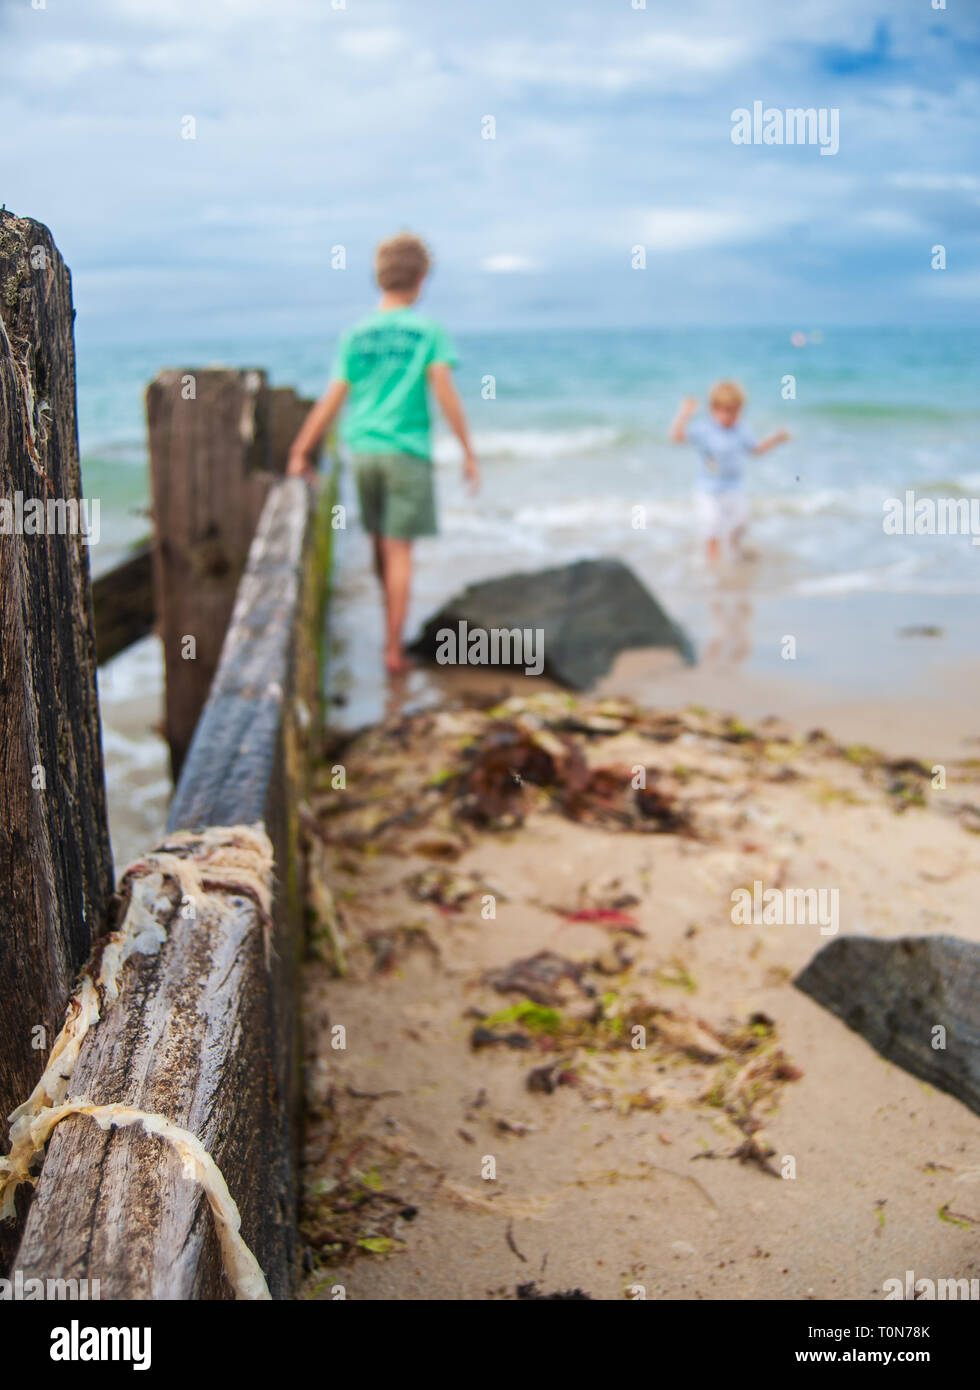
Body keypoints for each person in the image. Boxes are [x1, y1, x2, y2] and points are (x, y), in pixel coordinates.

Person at [288, 232, 479, 673]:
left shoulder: (357, 335)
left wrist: (301, 450)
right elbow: (445, 392)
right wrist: (468, 449)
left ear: (378, 277)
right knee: (399, 552)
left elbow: (333, 397)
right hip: (406, 451)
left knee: (379, 544)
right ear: (422, 277)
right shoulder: (427, 331)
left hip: (364, 451)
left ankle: (387, 630)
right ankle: (393, 649)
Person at [670, 380, 789, 565]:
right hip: (707, 490)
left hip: (733, 488)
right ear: (713, 410)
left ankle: (735, 548)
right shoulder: (705, 429)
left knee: (740, 523)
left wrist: (775, 440)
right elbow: (677, 437)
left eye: (734, 411)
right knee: (711, 525)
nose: (730, 416)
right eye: (725, 411)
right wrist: (685, 414)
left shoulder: (741, 430)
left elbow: (756, 450)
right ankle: (713, 562)